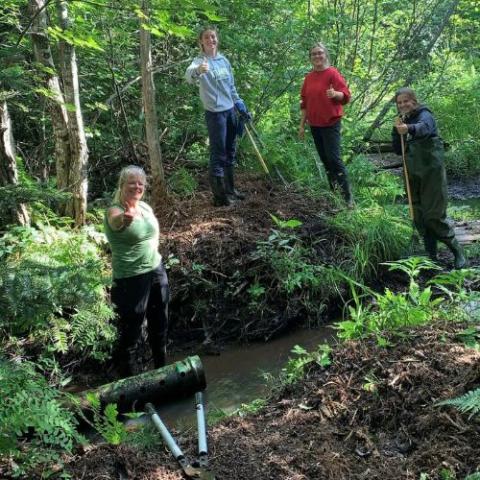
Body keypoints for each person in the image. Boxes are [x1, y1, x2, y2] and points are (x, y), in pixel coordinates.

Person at [104, 165, 169, 377]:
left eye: (141, 182)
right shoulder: (115, 210)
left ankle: (162, 372)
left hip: (156, 271)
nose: (137, 186)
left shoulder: (145, 208)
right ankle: (130, 383)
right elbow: (116, 222)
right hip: (131, 279)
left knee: (160, 324)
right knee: (131, 332)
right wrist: (125, 219)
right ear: (122, 185)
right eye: (132, 182)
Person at [392, 87, 466, 269]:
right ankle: (432, 256)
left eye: (405, 101)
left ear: (414, 101)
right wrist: (396, 131)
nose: (403, 105)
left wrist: (408, 128)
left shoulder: (425, 115)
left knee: (433, 215)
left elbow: (424, 129)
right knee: (418, 215)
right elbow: (396, 149)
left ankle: (458, 252)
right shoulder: (401, 121)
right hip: (412, 172)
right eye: (399, 102)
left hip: (431, 172)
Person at [185, 27, 249, 207]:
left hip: (230, 111)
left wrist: (239, 103)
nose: (210, 39)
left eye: (213, 36)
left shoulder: (224, 61)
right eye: (206, 37)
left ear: (217, 40)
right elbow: (188, 76)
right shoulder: (199, 61)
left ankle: (230, 190)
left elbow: (232, 87)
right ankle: (220, 198)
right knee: (218, 152)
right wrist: (198, 70)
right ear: (201, 42)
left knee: (230, 150)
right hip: (215, 114)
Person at [299, 42, 353, 206]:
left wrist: (335, 94)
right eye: (314, 54)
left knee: (334, 159)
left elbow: (346, 96)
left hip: (331, 123)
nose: (317, 56)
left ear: (325, 55)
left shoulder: (332, 73)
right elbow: (305, 103)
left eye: (320, 53)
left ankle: (347, 200)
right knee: (325, 160)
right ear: (310, 58)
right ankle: (335, 196)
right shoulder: (308, 78)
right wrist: (301, 125)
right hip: (315, 125)